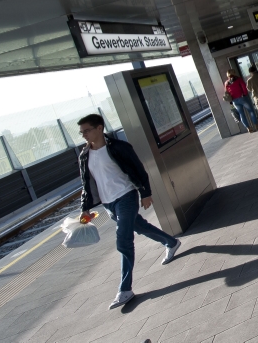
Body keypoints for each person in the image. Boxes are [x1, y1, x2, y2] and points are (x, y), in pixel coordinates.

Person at [77, 114, 181, 310]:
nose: (84, 135)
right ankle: (171, 242)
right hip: (109, 203)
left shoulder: (118, 148)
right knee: (139, 226)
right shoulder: (84, 155)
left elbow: (138, 169)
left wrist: (145, 193)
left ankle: (125, 289)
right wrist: (85, 208)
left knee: (123, 239)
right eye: (81, 132)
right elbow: (86, 184)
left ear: (99, 128)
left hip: (126, 196)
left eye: (87, 130)